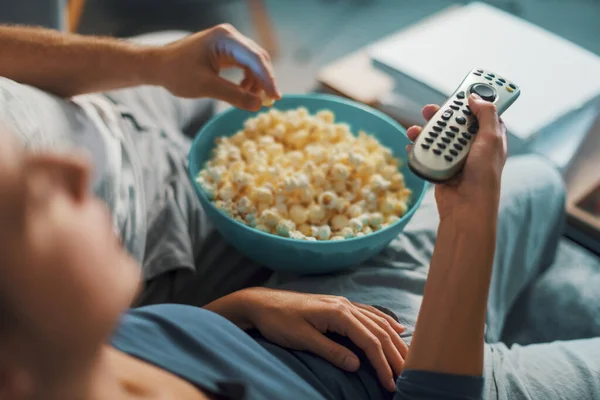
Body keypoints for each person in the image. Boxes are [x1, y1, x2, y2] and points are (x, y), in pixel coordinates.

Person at [0, 25, 599, 400]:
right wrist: (469, 221)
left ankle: (509, 299)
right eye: (27, 205)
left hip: (313, 312)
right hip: (410, 372)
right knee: (515, 181)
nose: (72, 166)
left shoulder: (68, 348)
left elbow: (154, 339)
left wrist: (244, 309)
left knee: (541, 180)